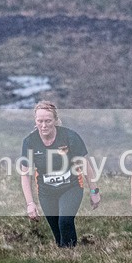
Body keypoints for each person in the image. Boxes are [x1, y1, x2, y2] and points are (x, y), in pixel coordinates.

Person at [20, 101, 100, 247]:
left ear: (55, 120)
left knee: (65, 221)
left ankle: (70, 255)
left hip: (71, 187)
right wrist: (30, 203)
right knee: (57, 231)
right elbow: (25, 175)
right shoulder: (30, 142)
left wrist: (94, 191)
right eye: (40, 121)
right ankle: (64, 254)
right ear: (35, 121)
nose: (44, 125)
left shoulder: (70, 137)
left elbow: (85, 164)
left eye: (48, 121)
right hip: (46, 192)